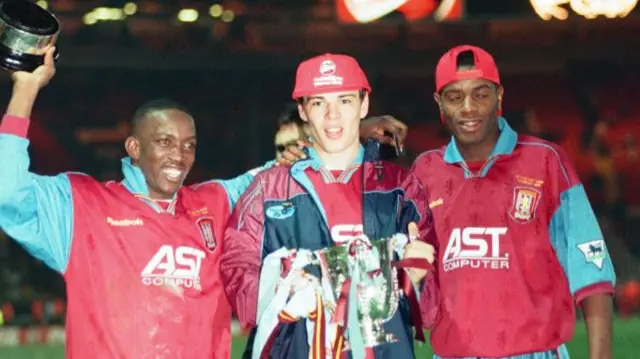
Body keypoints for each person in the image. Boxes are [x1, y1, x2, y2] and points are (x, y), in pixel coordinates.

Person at [0, 48, 410, 358]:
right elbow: (7, 189)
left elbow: (284, 168)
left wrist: (352, 129)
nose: (178, 155)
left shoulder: (215, 202)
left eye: (188, 145)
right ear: (133, 148)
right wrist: (25, 90)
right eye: (163, 142)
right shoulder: (81, 204)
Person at [221, 53, 438, 359]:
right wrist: (286, 288)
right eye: (319, 103)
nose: (332, 115)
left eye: (345, 101)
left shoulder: (401, 189)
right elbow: (242, 294)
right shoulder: (268, 189)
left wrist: (414, 277)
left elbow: (429, 313)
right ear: (303, 110)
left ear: (363, 105)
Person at [405, 45, 616, 359]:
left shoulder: (546, 161)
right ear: (439, 103)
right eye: (454, 96)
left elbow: (593, 274)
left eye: (481, 94)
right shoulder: (424, 172)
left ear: (499, 96)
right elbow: (411, 282)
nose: (468, 108)